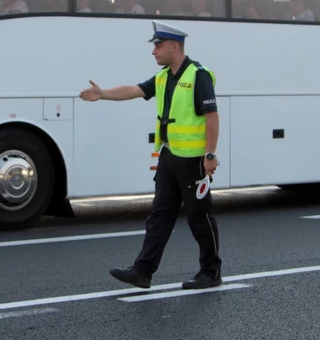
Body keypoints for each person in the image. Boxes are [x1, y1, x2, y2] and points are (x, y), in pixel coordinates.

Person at [79, 21, 222, 290]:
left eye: (158, 45)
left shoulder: (197, 75)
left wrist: (209, 154)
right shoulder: (163, 76)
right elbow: (134, 90)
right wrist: (103, 94)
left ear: (174, 46)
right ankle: (143, 271)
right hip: (169, 158)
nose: (153, 51)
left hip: (193, 161)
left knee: (199, 216)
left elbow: (212, 117)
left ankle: (211, 271)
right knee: (159, 215)